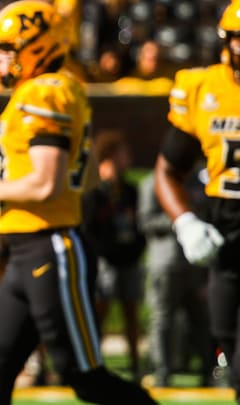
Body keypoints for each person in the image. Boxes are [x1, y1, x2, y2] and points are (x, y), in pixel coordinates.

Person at [0, 2, 158, 404]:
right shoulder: (43, 89)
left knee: (83, 375)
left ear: (37, 46)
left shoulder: (47, 90)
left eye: (8, 47)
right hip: (24, 250)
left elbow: (45, 183)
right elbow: (82, 176)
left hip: (51, 245)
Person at [154, 0, 240, 398]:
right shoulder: (204, 87)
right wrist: (185, 221)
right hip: (228, 226)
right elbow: (168, 170)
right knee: (226, 335)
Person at [80, 131, 146, 381]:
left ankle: (135, 364)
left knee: (131, 313)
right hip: (105, 262)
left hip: (128, 260)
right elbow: (89, 229)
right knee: (100, 313)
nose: (127, 158)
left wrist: (135, 249)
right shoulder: (96, 190)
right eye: (122, 153)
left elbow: (137, 225)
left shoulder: (129, 189)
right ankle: (94, 362)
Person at [138, 170, 214, 387]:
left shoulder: (197, 181)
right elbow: (145, 221)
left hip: (196, 262)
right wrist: (182, 219)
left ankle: (210, 370)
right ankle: (162, 371)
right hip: (166, 262)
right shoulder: (152, 182)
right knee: (162, 318)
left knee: (201, 318)